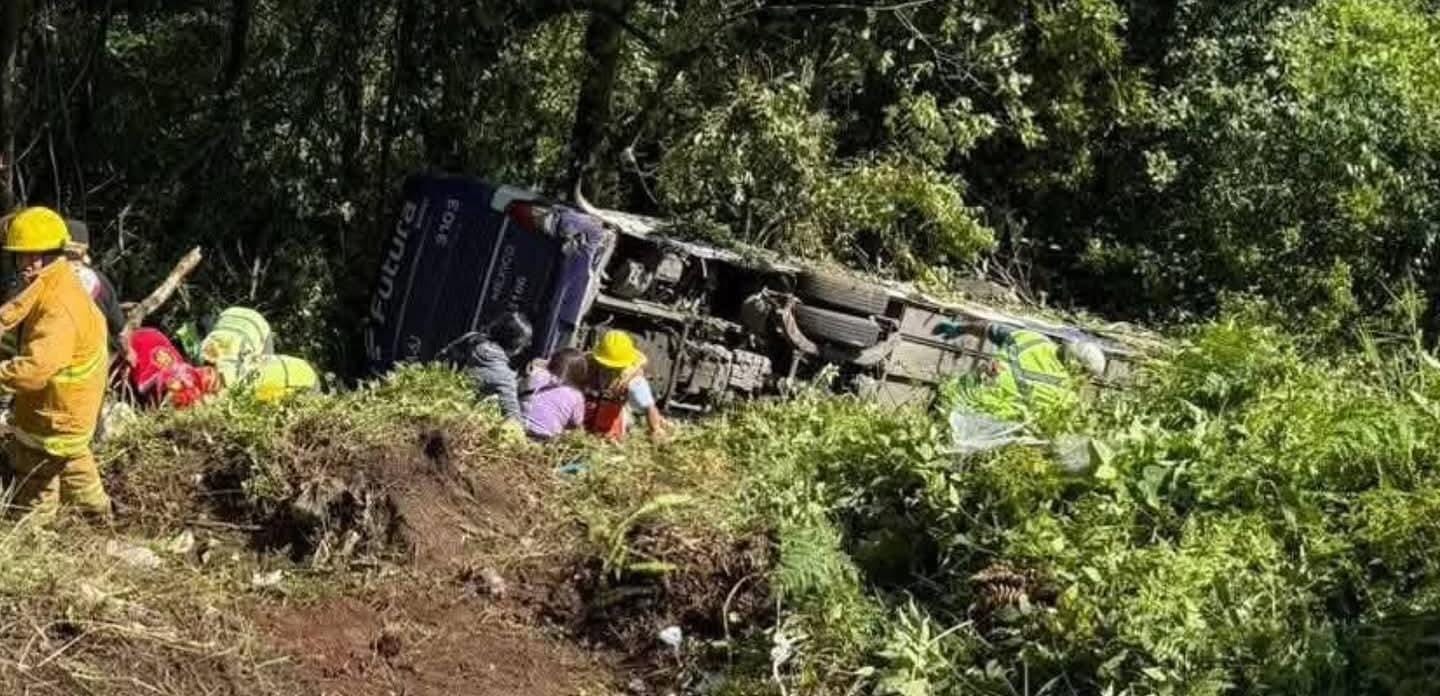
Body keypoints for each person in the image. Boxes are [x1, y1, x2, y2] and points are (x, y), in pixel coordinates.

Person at [0, 207, 111, 520]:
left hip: (58, 412)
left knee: (34, 466)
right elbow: (23, 302)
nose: (22, 264)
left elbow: (35, 371)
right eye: (19, 257)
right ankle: (99, 514)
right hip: (71, 407)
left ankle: (36, 530)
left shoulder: (60, 309)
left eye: (28, 256)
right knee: (76, 463)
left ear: (46, 255)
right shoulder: (55, 276)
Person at [441, 312, 533, 422]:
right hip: (456, 420)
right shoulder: (504, 377)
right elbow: (513, 421)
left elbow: (440, 359)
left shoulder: (471, 338)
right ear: (517, 347)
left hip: (436, 401)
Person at [586, 330, 668, 441]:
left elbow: (649, 407)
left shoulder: (634, 381)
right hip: (587, 411)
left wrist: (656, 429)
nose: (609, 371)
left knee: (610, 437)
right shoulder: (588, 365)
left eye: (614, 368)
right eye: (606, 366)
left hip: (611, 417)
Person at [63, 219, 126, 357]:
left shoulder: (44, 282)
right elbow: (120, 330)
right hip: (92, 367)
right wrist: (128, 354)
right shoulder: (100, 282)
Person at [521, 348, 589, 441]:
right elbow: (577, 426)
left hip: (520, 427)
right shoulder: (576, 396)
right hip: (545, 438)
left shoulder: (538, 375)